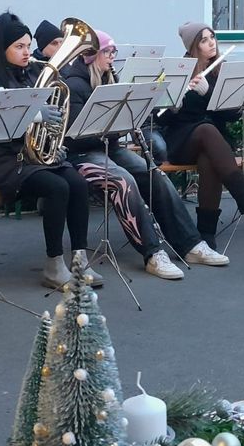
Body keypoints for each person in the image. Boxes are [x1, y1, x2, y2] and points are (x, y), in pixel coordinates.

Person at [63, 30, 229, 279]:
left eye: (113, 52)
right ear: (91, 56)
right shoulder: (74, 84)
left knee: (155, 175)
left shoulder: (108, 78)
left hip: (109, 147)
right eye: (107, 52)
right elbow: (75, 136)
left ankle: (191, 244)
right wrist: (113, 124)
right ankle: (153, 253)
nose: (111, 58)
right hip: (81, 155)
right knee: (124, 182)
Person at [0, 12, 101, 289]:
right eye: (19, 46)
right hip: (4, 161)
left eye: (28, 46)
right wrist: (34, 114)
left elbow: (53, 117)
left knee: (78, 183)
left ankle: (79, 259)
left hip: (35, 158)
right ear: (2, 48)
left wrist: (55, 144)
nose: (27, 52)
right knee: (57, 188)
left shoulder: (34, 72)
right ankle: (54, 265)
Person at [158, 23, 244, 249]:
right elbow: (161, 119)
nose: (211, 43)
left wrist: (209, 93)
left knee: (209, 160)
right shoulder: (180, 69)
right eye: (204, 40)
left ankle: (206, 232)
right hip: (182, 140)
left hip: (215, 144)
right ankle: (242, 193)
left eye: (212, 37)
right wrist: (173, 105)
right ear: (193, 47)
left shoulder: (222, 71)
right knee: (206, 130)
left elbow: (229, 117)